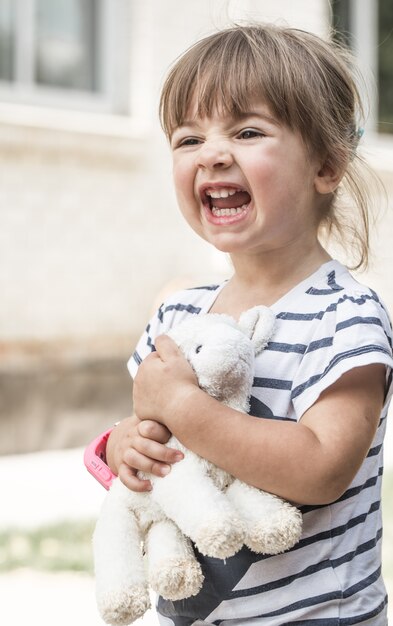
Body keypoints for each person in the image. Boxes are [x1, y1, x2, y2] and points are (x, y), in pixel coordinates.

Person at [88, 24, 393, 624]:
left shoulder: (347, 317)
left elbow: (321, 469)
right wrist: (124, 446)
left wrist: (186, 407)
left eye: (248, 131)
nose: (212, 153)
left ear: (326, 165)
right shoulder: (180, 313)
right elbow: (155, 438)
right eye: (188, 137)